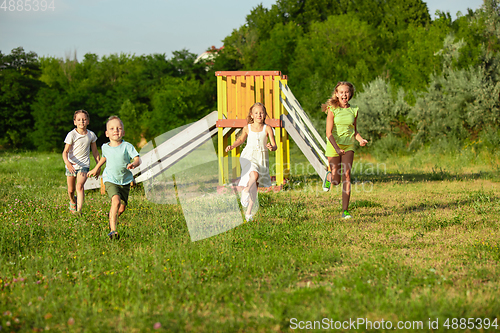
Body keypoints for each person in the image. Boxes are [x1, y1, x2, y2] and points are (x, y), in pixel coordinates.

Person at [88, 116, 141, 239]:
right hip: (110, 179)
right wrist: (96, 168)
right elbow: (104, 158)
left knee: (121, 208)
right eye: (112, 128)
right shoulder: (105, 147)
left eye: (119, 128)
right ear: (107, 133)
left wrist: (133, 164)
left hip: (125, 180)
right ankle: (113, 231)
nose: (115, 130)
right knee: (115, 201)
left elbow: (138, 158)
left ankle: (112, 216)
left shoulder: (127, 146)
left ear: (123, 132)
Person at [322, 81, 368, 219]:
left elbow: (354, 130)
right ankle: (329, 176)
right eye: (341, 92)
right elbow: (328, 133)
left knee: (346, 176)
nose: (344, 94)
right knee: (336, 181)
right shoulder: (332, 109)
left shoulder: (354, 110)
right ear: (337, 94)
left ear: (350, 94)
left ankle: (345, 211)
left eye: (346, 92)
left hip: (348, 146)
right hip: (334, 145)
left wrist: (360, 140)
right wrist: (336, 148)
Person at [225, 103, 277, 222]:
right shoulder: (247, 128)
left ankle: (248, 213)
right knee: (254, 175)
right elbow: (241, 139)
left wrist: (271, 147)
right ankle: (245, 190)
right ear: (251, 115)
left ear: (264, 115)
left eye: (261, 112)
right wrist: (232, 146)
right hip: (249, 156)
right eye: (256, 113)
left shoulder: (267, 128)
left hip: (261, 158)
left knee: (256, 186)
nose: (259, 115)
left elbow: (275, 145)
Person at [62, 110, 100, 214]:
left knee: (79, 186)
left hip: (84, 165)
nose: (81, 122)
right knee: (71, 190)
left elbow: (95, 152)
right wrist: (68, 164)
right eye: (79, 120)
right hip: (71, 165)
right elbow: (65, 152)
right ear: (75, 122)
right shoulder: (72, 135)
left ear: (88, 121)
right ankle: (72, 200)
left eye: (84, 119)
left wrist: (98, 166)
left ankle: (78, 211)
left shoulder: (91, 135)